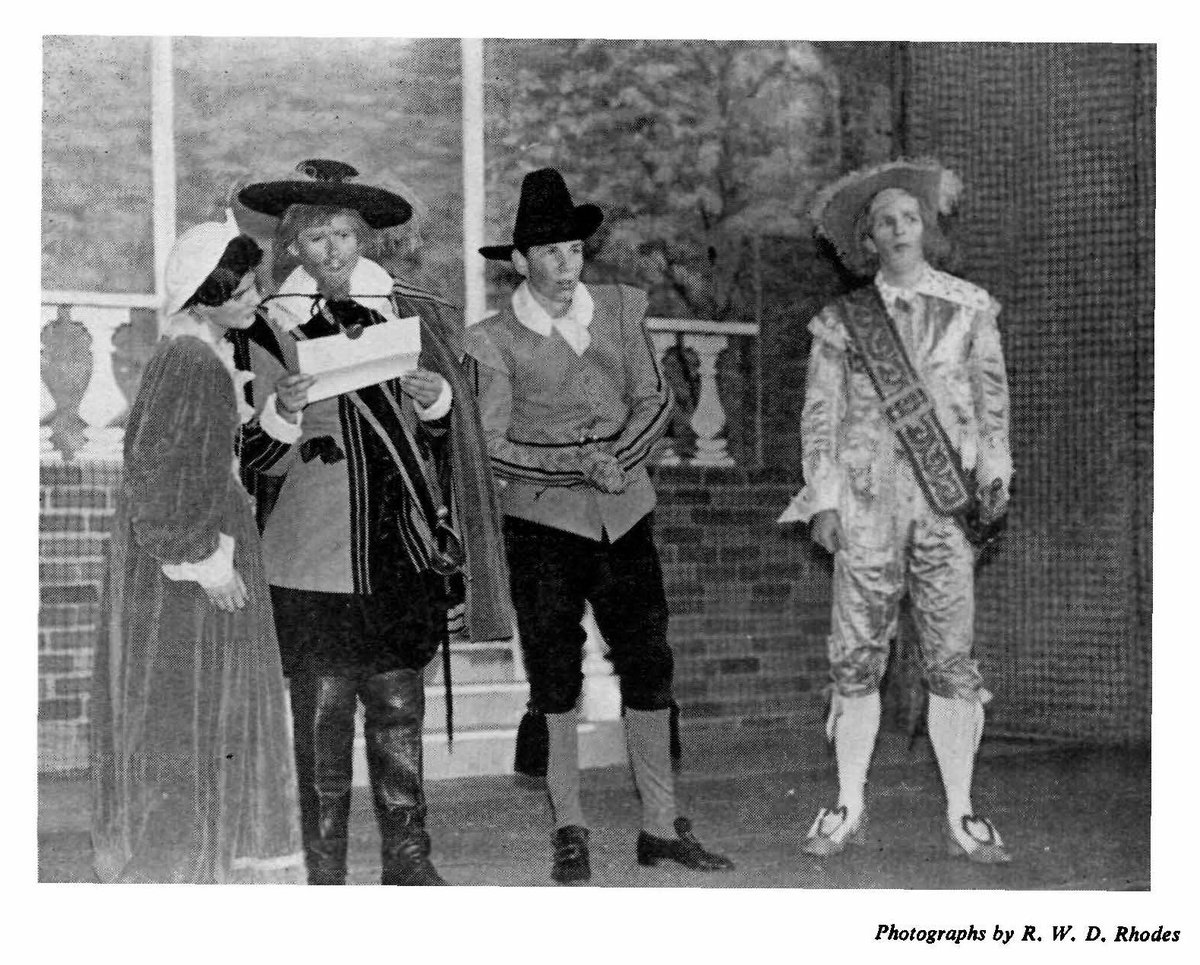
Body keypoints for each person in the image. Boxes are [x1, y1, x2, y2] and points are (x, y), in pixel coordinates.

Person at [235, 160, 511, 886]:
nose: (334, 250)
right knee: (322, 722)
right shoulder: (265, 327)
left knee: (397, 711)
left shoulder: (409, 314)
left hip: (399, 551)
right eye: (318, 237)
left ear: (364, 240)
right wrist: (284, 411)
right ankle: (323, 871)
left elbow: (454, 441)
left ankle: (410, 860)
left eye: (346, 234)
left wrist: (434, 401)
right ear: (292, 245)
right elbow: (248, 455)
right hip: (308, 557)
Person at [467, 168, 733, 884]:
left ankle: (660, 825)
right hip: (542, 525)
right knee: (556, 677)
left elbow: (654, 400)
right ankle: (569, 826)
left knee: (649, 662)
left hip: (627, 517)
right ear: (519, 261)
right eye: (548, 251)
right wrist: (579, 464)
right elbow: (492, 442)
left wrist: (615, 459)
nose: (565, 263)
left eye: (574, 248)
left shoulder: (618, 308)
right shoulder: (492, 340)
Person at [780, 158, 1013, 863]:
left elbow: (991, 405)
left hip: (945, 508)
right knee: (856, 655)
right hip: (866, 503)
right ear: (870, 240)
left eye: (911, 217)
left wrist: (994, 474)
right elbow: (819, 417)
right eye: (886, 221)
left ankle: (962, 811)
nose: (901, 229)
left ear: (926, 228)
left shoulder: (970, 308)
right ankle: (846, 803)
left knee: (951, 656)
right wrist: (822, 499)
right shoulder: (842, 323)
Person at [90, 214, 305, 883]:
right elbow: (157, 476)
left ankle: (192, 867)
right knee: (189, 721)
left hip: (196, 556)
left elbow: (211, 462)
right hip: (187, 576)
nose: (254, 299)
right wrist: (207, 562)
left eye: (253, 286)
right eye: (239, 290)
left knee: (193, 723)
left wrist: (281, 411)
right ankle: (179, 873)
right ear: (205, 295)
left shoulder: (200, 351)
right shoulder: (190, 359)